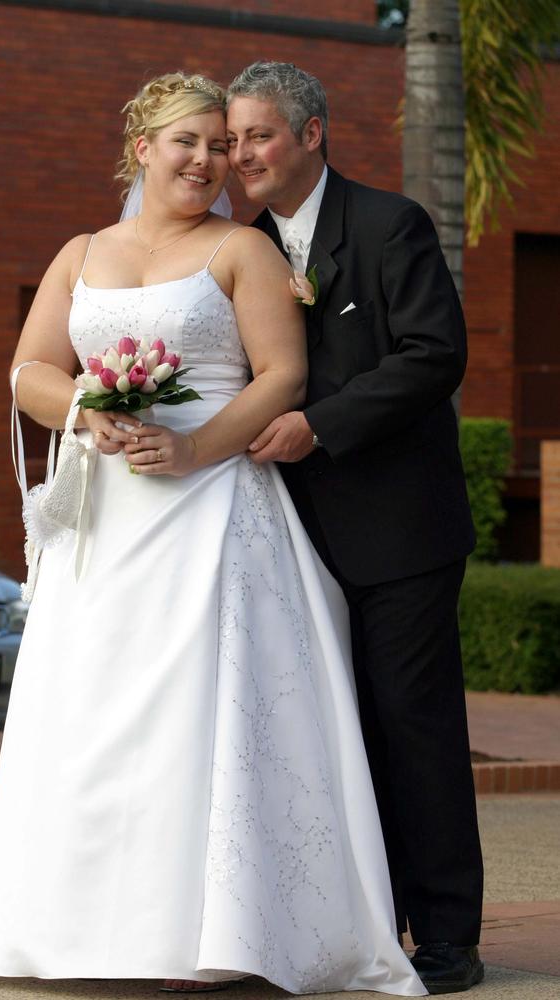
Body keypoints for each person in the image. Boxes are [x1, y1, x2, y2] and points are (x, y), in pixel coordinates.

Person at [0, 72, 425, 996]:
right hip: (107, 519)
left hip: (214, 510)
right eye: (190, 143)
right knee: (93, 712)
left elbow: (281, 376)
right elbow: (29, 370)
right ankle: (74, 927)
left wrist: (194, 450)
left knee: (202, 714)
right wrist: (90, 409)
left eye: (222, 146)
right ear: (143, 147)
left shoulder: (239, 252)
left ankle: (216, 932)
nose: (210, 162)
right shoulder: (82, 250)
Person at [226, 61, 484, 996]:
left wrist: (320, 424)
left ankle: (448, 934)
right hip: (280, 539)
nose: (239, 154)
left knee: (411, 730)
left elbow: (434, 354)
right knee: (319, 737)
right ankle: (348, 922)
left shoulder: (389, 225)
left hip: (399, 533)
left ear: (310, 134)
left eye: (257, 135)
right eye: (232, 139)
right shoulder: (240, 246)